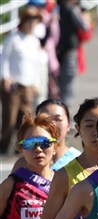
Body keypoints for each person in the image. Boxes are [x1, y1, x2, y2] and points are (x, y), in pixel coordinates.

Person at [0, 5, 45, 154]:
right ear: (24, 21)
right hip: (13, 84)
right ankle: (4, 145)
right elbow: (4, 58)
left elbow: (36, 65)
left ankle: (21, 147)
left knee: (25, 119)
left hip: (28, 85)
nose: (32, 24)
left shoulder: (34, 41)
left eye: (35, 21)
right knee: (10, 118)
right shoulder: (13, 38)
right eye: (30, 20)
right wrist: (5, 77)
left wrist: (36, 84)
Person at [56, 0, 90, 107]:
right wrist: (85, 18)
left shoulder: (55, 8)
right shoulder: (72, 10)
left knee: (57, 87)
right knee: (68, 89)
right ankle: (63, 114)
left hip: (54, 52)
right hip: (69, 53)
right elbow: (84, 27)